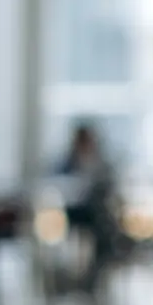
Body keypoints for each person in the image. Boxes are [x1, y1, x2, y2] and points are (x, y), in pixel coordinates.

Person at [56, 122, 122, 293]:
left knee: (102, 233)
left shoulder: (102, 164)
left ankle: (91, 282)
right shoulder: (66, 163)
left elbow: (110, 190)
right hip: (74, 216)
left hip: (98, 219)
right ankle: (79, 284)